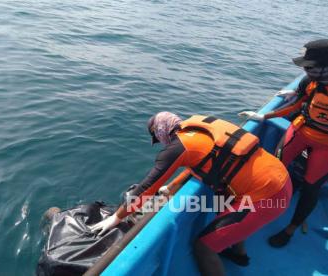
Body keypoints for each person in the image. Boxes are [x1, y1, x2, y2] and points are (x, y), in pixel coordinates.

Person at [90, 112, 292, 276]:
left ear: (161, 132)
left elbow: (146, 188)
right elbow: (206, 159)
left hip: (267, 196)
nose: (160, 142)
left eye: (157, 137)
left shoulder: (177, 148)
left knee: (203, 247)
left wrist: (117, 217)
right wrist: (173, 186)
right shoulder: (197, 129)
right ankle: (239, 255)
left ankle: (227, 255)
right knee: (229, 211)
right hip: (280, 176)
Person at [239, 39, 328, 247]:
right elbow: (297, 103)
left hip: (325, 147)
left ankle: (290, 229)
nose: (306, 71)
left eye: (310, 67)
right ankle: (260, 205)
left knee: (311, 187)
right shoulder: (311, 82)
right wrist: (265, 117)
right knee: (273, 168)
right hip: (301, 131)